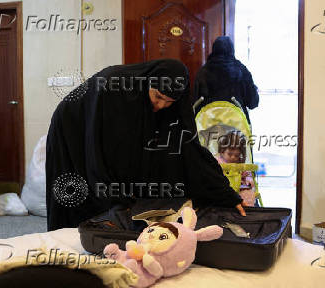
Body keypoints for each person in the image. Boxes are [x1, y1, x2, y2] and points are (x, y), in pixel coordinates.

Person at [46, 59, 247, 231]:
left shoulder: (169, 104)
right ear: (148, 82)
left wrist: (225, 194)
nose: (160, 106)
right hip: (72, 126)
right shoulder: (115, 87)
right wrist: (116, 196)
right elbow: (101, 150)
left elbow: (189, 149)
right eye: (158, 97)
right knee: (78, 192)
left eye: (168, 102)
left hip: (100, 127)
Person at [193, 36, 259, 123]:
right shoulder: (241, 70)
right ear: (232, 50)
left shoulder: (202, 72)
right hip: (237, 128)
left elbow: (195, 103)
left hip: (208, 127)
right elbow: (253, 103)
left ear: (214, 50)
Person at [215, 132, 256, 207]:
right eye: (230, 154)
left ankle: (248, 210)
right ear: (222, 150)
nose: (233, 157)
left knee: (249, 194)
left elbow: (248, 174)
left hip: (239, 188)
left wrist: (248, 180)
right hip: (224, 188)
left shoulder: (240, 162)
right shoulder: (217, 161)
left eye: (236, 155)